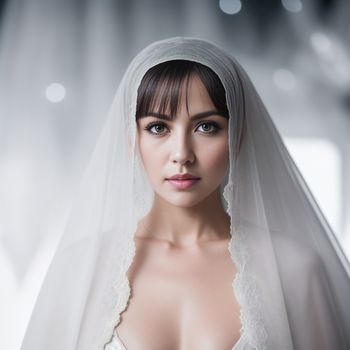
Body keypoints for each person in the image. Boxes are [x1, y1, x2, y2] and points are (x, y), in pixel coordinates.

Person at [20, 37, 350, 350]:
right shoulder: (81, 267)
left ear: (238, 136)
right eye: (158, 128)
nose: (181, 153)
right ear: (131, 139)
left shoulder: (294, 269)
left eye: (206, 127)